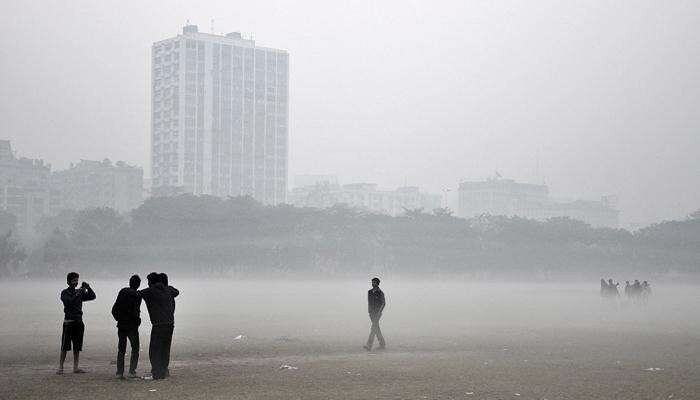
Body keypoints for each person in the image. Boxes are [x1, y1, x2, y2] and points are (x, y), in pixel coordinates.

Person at [139, 272, 179, 379]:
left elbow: (137, 294)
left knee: (154, 349)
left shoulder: (150, 291)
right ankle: (163, 370)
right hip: (170, 323)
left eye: (148, 282)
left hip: (158, 324)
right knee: (165, 348)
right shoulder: (168, 290)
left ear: (151, 282)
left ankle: (156, 372)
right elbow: (176, 292)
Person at [57, 272, 96, 375]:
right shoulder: (64, 293)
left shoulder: (79, 292)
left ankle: (75, 367)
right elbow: (69, 302)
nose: (76, 282)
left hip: (78, 322)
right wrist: (79, 292)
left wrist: (88, 287)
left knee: (77, 347)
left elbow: (92, 296)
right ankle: (61, 367)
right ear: (68, 282)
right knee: (64, 346)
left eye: (77, 280)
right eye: (74, 280)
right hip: (68, 323)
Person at [111, 275, 142, 379]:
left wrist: (119, 319)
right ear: (138, 284)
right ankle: (132, 371)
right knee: (135, 348)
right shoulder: (137, 295)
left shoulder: (122, 292)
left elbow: (114, 309)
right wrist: (137, 321)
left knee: (121, 349)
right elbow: (135, 311)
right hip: (132, 326)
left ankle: (119, 372)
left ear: (130, 282)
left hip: (122, 325)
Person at [364, 277, 386, 351]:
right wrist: (369, 310)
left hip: (377, 313)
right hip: (371, 313)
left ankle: (369, 345)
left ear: (377, 283)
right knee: (376, 328)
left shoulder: (380, 292)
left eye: (374, 282)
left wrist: (379, 311)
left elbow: (383, 303)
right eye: (372, 282)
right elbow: (369, 302)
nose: (372, 283)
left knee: (373, 328)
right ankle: (382, 344)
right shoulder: (369, 292)